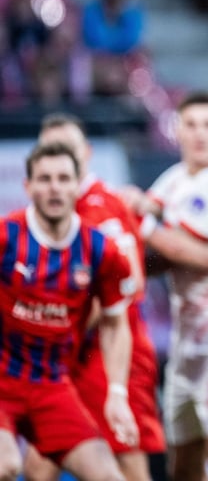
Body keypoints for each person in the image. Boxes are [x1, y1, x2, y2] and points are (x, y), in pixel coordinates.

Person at [19, 113, 164, 481]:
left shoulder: (98, 209)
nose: (58, 157)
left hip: (110, 353)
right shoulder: (70, 213)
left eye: (66, 150)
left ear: (84, 154)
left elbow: (115, 293)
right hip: (73, 356)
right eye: (49, 150)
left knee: (126, 461)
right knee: (39, 463)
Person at [123, 92, 208, 481]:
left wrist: (141, 220)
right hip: (187, 337)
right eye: (191, 124)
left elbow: (177, 244)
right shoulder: (173, 182)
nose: (200, 134)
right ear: (176, 130)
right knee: (183, 460)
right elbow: (158, 257)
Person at [0, 142, 138, 481]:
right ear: (28, 186)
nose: (55, 187)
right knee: (6, 465)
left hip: (52, 387)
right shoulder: (6, 236)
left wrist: (117, 394)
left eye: (63, 178)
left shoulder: (100, 249)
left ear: (78, 184)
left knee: (111, 477)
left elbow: (115, 323)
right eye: (44, 179)